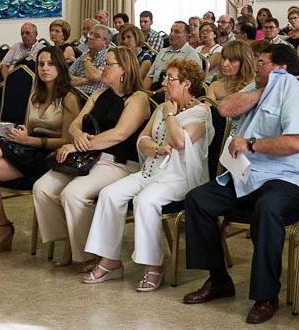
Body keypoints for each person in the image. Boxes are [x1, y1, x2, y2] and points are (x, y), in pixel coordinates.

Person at [181, 42, 299, 324]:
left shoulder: (292, 91)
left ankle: (266, 296)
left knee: (268, 208)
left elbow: (298, 142)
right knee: (198, 200)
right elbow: (226, 108)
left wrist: (252, 144)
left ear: (282, 69)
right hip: (249, 175)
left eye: (263, 63)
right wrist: (262, 89)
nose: (256, 66)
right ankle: (219, 280)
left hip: (290, 177)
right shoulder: (260, 86)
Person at [83, 58, 213, 289]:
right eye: (164, 77)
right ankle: (110, 261)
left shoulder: (201, 113)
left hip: (180, 177)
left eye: (170, 79)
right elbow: (142, 139)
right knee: (109, 194)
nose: (164, 83)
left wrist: (171, 115)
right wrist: (156, 148)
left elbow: (180, 142)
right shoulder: (162, 108)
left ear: (186, 83)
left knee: (145, 200)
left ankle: (153, 266)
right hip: (150, 171)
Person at [33, 47, 150, 268]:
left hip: (119, 161)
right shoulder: (98, 94)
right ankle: (70, 239)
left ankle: (88, 252)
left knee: (73, 194)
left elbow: (120, 134)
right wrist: (76, 135)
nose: (101, 68)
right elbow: (77, 122)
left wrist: (79, 145)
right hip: (87, 156)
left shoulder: (138, 98)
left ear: (123, 69)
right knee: (42, 188)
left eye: (107, 64)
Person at [0, 46, 80, 253]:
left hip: (49, 154)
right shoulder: (34, 94)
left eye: (50, 64)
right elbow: (28, 126)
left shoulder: (68, 97)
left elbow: (67, 139)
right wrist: (20, 132)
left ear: (60, 67)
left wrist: (30, 140)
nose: (45, 68)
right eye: (41, 64)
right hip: (28, 149)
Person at [146, 21, 202, 89]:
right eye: (171, 31)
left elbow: (187, 84)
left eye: (177, 32)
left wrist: (154, 93)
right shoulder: (162, 52)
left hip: (173, 92)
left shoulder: (191, 55)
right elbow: (149, 76)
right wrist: (143, 91)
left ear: (186, 37)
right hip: (154, 88)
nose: (172, 34)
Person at [69, 24, 112, 96]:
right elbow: (66, 79)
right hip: (75, 93)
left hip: (92, 97)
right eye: (90, 34)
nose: (90, 37)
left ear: (105, 43)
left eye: (96, 36)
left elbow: (94, 77)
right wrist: (87, 81)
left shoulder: (108, 56)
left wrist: (86, 61)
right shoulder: (85, 54)